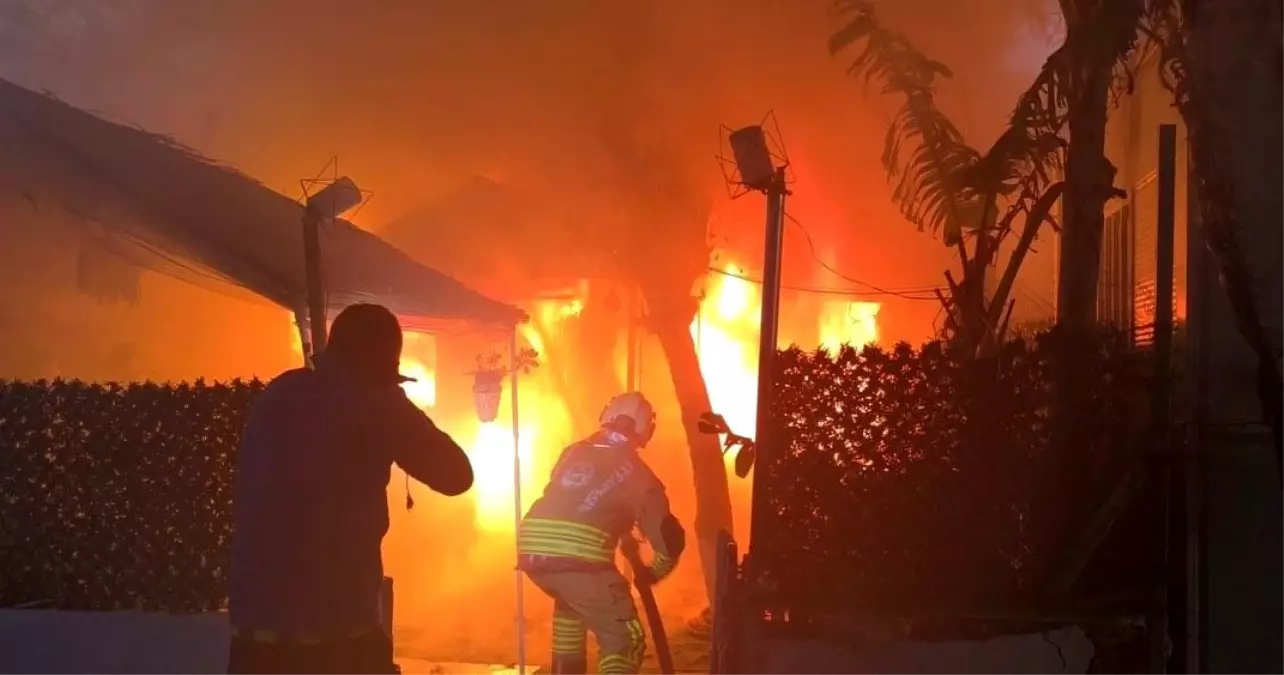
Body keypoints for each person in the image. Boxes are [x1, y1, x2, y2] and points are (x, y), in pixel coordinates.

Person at [227, 303, 474, 675]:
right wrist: (394, 403)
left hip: (255, 636)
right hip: (336, 635)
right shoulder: (377, 402)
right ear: (385, 359)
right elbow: (456, 475)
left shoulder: (278, 393)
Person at [518, 392, 685, 675]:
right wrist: (653, 573)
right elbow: (668, 540)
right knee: (623, 639)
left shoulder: (573, 451)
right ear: (647, 431)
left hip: (532, 546)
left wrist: (616, 521)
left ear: (606, 416)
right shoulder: (642, 477)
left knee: (573, 608)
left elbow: (578, 497)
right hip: (579, 558)